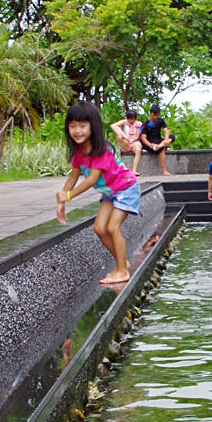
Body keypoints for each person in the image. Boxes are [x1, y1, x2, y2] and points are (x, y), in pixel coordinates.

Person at [56, 101, 141, 285]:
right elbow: (74, 175)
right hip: (111, 193)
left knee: (112, 227)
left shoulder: (101, 149)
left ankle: (121, 271)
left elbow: (91, 179)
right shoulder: (79, 151)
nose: (77, 131)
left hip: (126, 187)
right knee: (99, 228)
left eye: (82, 126)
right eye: (72, 126)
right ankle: (122, 262)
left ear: (93, 126)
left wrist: (69, 196)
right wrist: (63, 198)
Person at [136, 105, 173, 175]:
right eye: (154, 115)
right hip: (149, 143)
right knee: (162, 148)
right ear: (150, 113)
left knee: (171, 137)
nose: (155, 117)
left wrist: (165, 140)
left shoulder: (160, 121)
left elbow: (166, 130)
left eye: (157, 115)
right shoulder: (146, 124)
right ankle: (164, 170)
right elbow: (143, 138)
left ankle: (160, 146)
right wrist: (150, 145)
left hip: (159, 141)